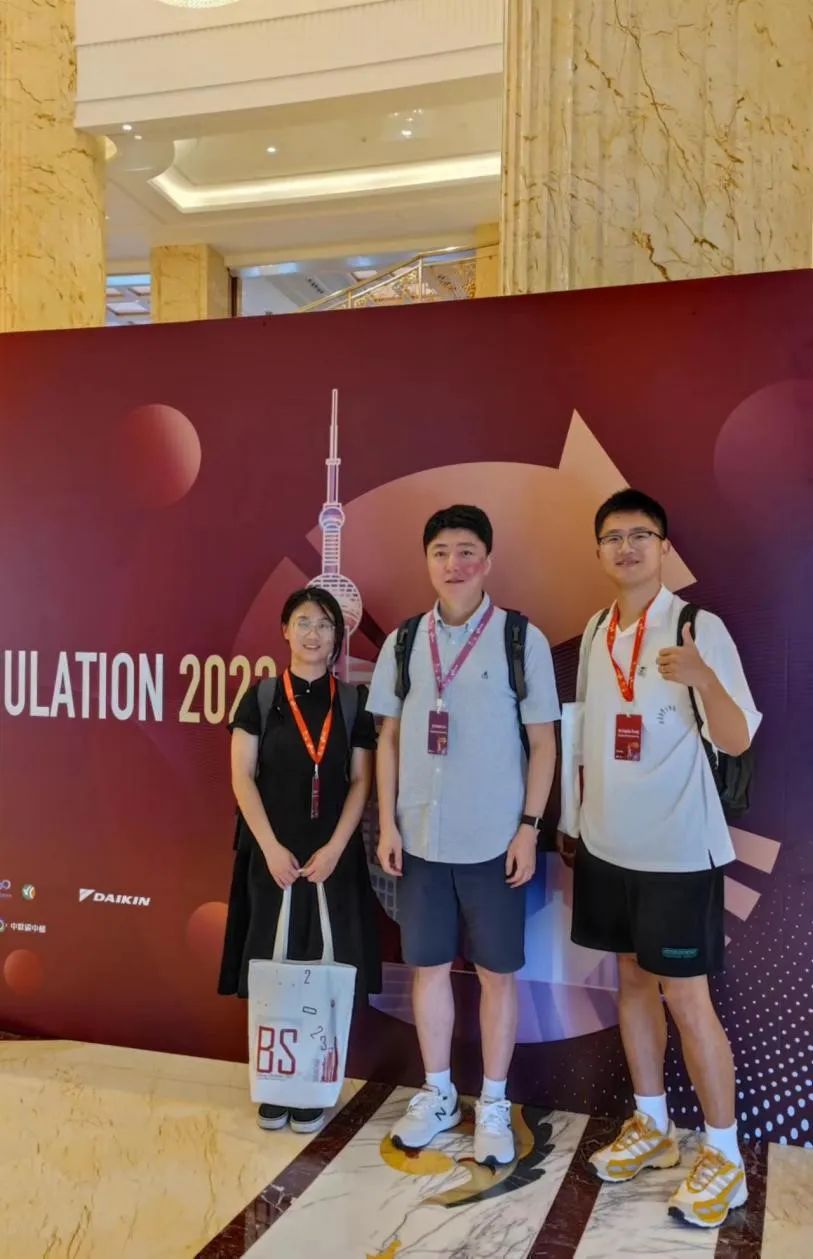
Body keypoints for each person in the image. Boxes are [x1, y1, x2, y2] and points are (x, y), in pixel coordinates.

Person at [557, 488, 761, 1228]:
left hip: (677, 848)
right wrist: (576, 822)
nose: (626, 547)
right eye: (613, 537)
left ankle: (725, 1156)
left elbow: (737, 738)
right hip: (610, 844)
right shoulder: (595, 628)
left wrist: (702, 677)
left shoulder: (696, 626)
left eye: (640, 535)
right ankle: (652, 1123)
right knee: (633, 983)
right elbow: (587, 732)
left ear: (664, 548)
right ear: (599, 551)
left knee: (686, 997)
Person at [367, 504, 559, 1167]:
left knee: (496, 975)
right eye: (441, 552)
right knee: (427, 968)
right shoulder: (404, 642)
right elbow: (389, 737)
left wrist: (528, 828)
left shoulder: (519, 639)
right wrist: (387, 821)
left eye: (467, 550)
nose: (454, 564)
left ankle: (494, 1102)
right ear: (427, 561)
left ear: (488, 559)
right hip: (420, 838)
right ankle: (439, 1091)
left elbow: (543, 743)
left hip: (494, 841)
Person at [218, 587, 381, 1134]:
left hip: (332, 859)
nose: (314, 634)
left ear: (338, 637)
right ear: (285, 631)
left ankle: (313, 1083)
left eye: (325, 625)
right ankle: (274, 1081)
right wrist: (269, 847)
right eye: (304, 622)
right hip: (272, 855)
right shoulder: (260, 698)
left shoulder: (353, 703)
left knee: (323, 969)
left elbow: (361, 782)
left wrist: (335, 848)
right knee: (273, 967)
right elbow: (242, 776)